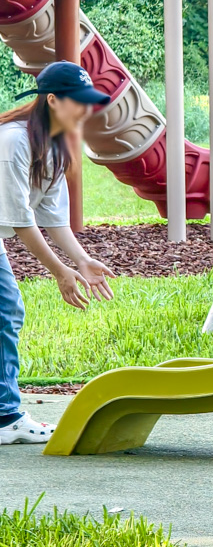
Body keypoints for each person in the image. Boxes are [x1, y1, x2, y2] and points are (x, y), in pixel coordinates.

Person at [0, 62, 117, 445]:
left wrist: (80, 260)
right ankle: (6, 416)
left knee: (6, 310)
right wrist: (59, 272)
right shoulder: (14, 141)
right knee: (7, 309)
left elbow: (50, 215)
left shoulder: (53, 146)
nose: (86, 110)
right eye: (78, 102)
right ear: (52, 100)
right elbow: (22, 222)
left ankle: (4, 414)